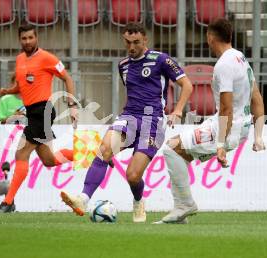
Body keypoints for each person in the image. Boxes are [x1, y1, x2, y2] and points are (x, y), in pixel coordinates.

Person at [60, 22, 193, 222]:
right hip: (129, 117)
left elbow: (187, 85)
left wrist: (178, 110)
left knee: (132, 175)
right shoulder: (123, 65)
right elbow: (133, 94)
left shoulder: (161, 60)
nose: (132, 47)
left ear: (145, 40)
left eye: (136, 42)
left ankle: (139, 201)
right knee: (104, 149)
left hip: (153, 122)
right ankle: (83, 199)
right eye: (128, 42)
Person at [154, 18, 266, 224]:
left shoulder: (224, 65)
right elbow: (257, 96)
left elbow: (226, 108)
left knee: (171, 149)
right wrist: (258, 136)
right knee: (180, 153)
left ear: (211, 37)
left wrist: (221, 144)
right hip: (240, 127)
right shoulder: (241, 58)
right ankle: (181, 210)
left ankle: (184, 205)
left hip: (225, 128)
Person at [0, 24, 78, 212]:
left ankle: (8, 202)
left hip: (43, 111)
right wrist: (8, 91)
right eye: (24, 38)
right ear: (20, 40)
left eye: (30, 38)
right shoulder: (19, 60)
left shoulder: (47, 58)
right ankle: (86, 152)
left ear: (36, 38)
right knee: (49, 160)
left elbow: (68, 78)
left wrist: (72, 105)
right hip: (33, 113)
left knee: (21, 154)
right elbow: (21, 85)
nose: (27, 41)